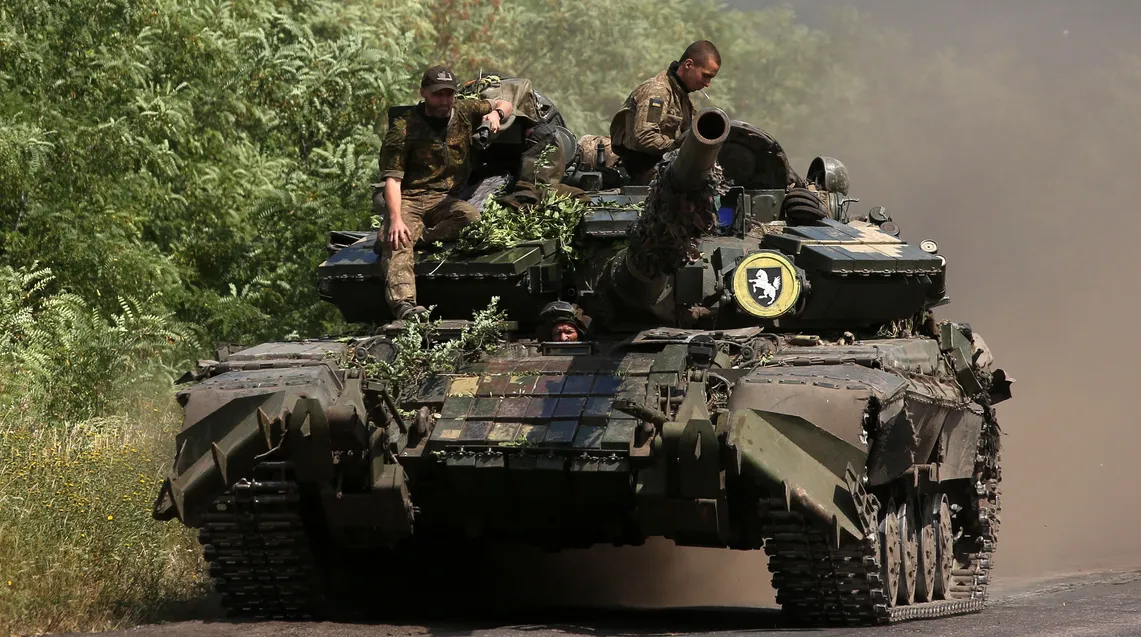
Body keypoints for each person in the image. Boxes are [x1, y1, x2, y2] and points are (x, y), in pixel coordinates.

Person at [374, 64, 516, 320]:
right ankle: (404, 305)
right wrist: (395, 220)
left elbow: (505, 103)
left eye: (448, 94)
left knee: (471, 218)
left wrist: (496, 114)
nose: (444, 100)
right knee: (398, 240)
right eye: (437, 94)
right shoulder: (404, 130)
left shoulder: (463, 110)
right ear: (423, 93)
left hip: (447, 200)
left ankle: (420, 236)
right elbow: (392, 180)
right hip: (411, 198)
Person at [609, 40, 721, 184]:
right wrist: (678, 147)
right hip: (642, 171)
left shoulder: (682, 97)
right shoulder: (658, 92)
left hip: (663, 169)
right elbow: (644, 137)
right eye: (705, 75)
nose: (707, 84)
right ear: (688, 65)